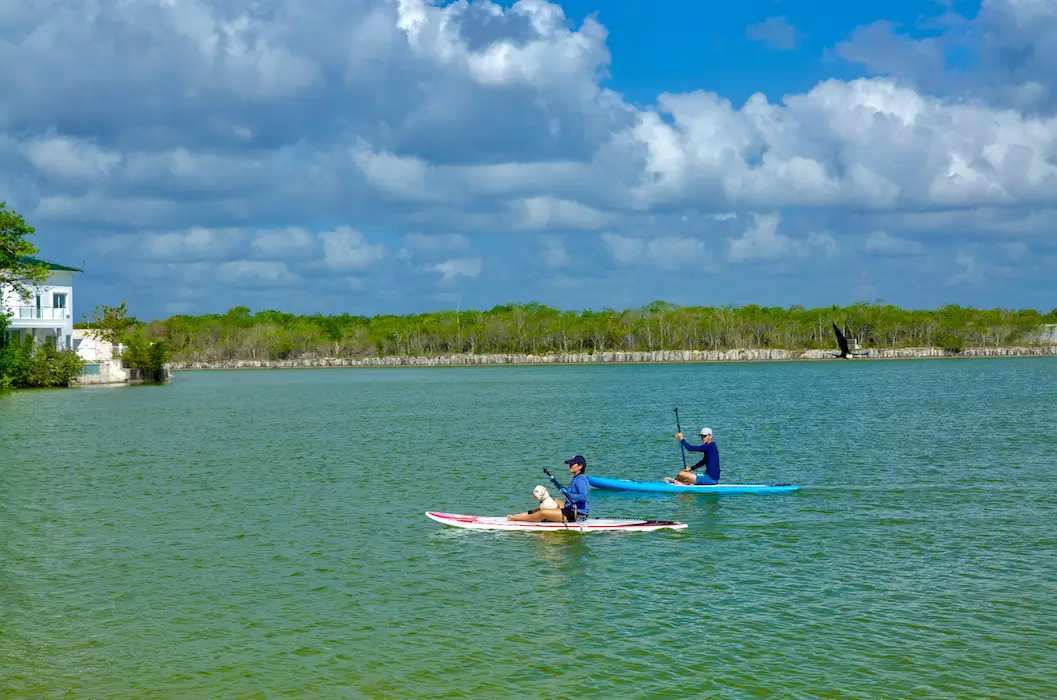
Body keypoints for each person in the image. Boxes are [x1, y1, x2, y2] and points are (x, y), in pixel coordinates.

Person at [507, 455, 590, 523]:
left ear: (580, 466)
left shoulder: (580, 479)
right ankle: (522, 515)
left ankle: (516, 519)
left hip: (577, 514)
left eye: (573, 464)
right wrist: (555, 482)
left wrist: (568, 494)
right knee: (547, 502)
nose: (570, 465)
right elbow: (566, 492)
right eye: (570, 464)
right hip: (570, 507)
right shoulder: (577, 478)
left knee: (543, 513)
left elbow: (583, 497)